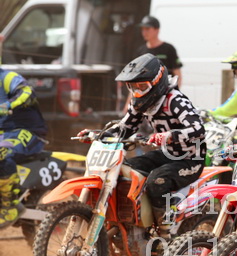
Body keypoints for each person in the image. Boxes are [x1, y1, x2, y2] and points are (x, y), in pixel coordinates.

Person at [79, 54, 205, 237]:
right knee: (125, 171)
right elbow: (125, 127)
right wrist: (97, 135)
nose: (137, 92)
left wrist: (169, 136)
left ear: (157, 82)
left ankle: (165, 233)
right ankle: (135, 219)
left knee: (157, 181)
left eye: (142, 87)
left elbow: (198, 130)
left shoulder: (175, 100)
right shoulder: (140, 103)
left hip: (190, 159)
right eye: (133, 87)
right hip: (165, 154)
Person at [0, 67, 48, 228]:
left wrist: (8, 105)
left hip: (25, 130)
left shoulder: (7, 77)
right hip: (2, 134)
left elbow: (26, 91)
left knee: (2, 153)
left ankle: (10, 205)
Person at [137, 16, 182, 85]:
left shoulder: (169, 49)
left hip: (166, 89)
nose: (144, 32)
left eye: (147, 29)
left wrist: (175, 89)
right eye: (142, 29)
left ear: (157, 30)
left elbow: (177, 74)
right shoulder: (141, 51)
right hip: (147, 90)